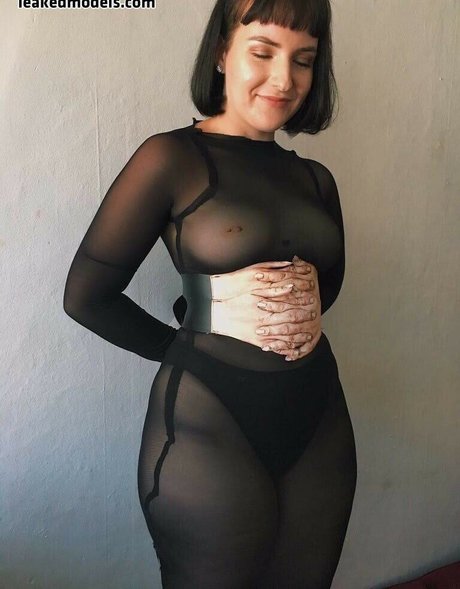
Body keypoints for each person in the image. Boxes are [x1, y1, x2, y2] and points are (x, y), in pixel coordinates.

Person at [63, 0, 357, 586]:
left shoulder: (316, 180)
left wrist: (285, 308)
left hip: (319, 415)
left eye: (303, 60)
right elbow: (87, 296)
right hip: (209, 420)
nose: (284, 79)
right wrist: (191, 337)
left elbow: (327, 289)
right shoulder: (171, 158)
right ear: (222, 52)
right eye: (262, 52)